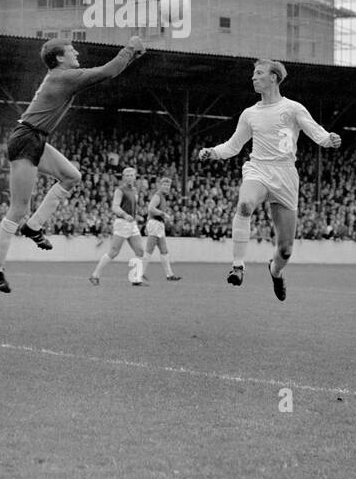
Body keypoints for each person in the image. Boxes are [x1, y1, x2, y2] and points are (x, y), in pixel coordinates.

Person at [0, 36, 145, 294]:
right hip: (26, 139)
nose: (76, 52)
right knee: (17, 209)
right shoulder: (63, 76)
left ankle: (34, 227)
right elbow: (108, 71)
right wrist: (130, 49)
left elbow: (110, 69)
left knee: (72, 176)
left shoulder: (61, 76)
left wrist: (134, 54)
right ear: (59, 58)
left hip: (35, 138)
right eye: (71, 50)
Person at [196, 58, 341, 301]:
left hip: (285, 174)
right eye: (254, 74)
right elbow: (234, 146)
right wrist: (213, 152)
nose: (253, 77)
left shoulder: (293, 108)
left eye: (259, 73)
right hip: (258, 169)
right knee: (244, 205)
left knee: (285, 250)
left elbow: (314, 130)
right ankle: (238, 266)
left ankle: (275, 272)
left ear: (273, 77)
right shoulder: (250, 113)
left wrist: (329, 139)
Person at [89, 166, 149, 285]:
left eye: (131, 175)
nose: (129, 177)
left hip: (132, 224)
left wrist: (136, 216)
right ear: (123, 177)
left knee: (140, 251)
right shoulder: (120, 190)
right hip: (122, 223)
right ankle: (95, 275)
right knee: (114, 252)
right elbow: (115, 207)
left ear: (135, 177)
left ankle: (136, 279)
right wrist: (125, 215)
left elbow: (132, 209)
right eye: (127, 175)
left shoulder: (135, 191)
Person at [142, 174, 181, 281]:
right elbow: (150, 208)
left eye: (168, 186)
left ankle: (170, 275)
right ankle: (139, 273)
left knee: (164, 250)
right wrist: (163, 214)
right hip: (155, 223)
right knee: (149, 250)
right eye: (164, 185)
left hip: (158, 224)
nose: (166, 187)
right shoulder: (158, 195)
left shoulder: (162, 196)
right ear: (160, 186)